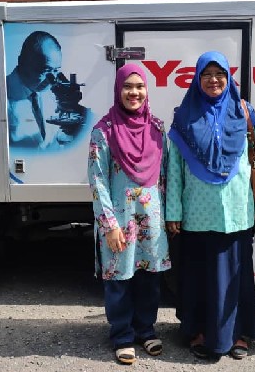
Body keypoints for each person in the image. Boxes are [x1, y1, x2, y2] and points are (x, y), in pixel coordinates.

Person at [165, 51, 255, 361]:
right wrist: (173, 212)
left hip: (237, 213)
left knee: (236, 280)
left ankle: (238, 334)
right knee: (199, 278)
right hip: (197, 215)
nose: (213, 80)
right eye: (207, 74)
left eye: (220, 74)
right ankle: (200, 331)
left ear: (229, 79)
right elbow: (174, 169)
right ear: (197, 79)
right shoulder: (184, 117)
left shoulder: (245, 115)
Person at [87, 64, 170, 365]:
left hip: (151, 218)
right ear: (117, 90)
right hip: (119, 220)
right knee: (119, 279)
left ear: (147, 90)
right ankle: (122, 335)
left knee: (149, 278)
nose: (134, 92)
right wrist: (109, 225)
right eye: (127, 87)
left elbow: (165, 176)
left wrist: (169, 216)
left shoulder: (157, 128)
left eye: (139, 86)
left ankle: (145, 330)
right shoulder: (104, 131)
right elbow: (97, 180)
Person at [7, 31, 90, 148]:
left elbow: (54, 135)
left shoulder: (49, 94)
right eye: (46, 70)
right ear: (22, 62)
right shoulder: (1, 96)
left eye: (56, 70)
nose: (52, 79)